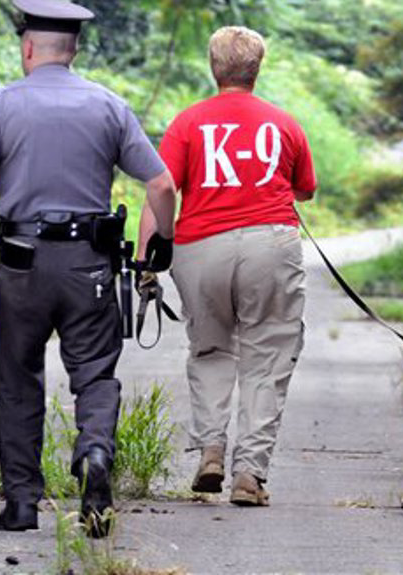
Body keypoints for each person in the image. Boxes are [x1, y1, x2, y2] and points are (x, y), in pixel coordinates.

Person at [0, 0, 176, 536]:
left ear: (27, 48)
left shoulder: (0, 105)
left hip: (20, 267)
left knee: (19, 379)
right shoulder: (110, 105)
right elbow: (160, 182)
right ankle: (93, 454)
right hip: (89, 266)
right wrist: (158, 248)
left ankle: (21, 505)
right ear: (74, 50)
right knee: (95, 375)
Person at [138, 26, 316, 506]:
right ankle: (250, 473)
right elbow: (303, 190)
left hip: (200, 248)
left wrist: (144, 261)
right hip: (268, 245)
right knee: (268, 356)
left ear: (213, 67)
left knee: (211, 349)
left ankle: (212, 451)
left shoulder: (187, 123)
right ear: (257, 69)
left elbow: (160, 192)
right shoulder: (284, 123)